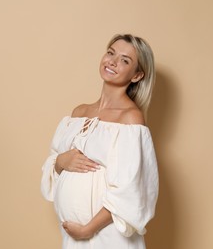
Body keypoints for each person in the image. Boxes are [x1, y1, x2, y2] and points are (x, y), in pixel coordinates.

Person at [41, 34, 159, 249]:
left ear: (137, 75)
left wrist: (89, 229)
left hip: (109, 236)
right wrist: (61, 161)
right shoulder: (78, 113)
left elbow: (131, 190)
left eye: (125, 60)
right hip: (72, 236)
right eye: (111, 53)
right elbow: (53, 167)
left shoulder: (130, 119)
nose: (113, 62)